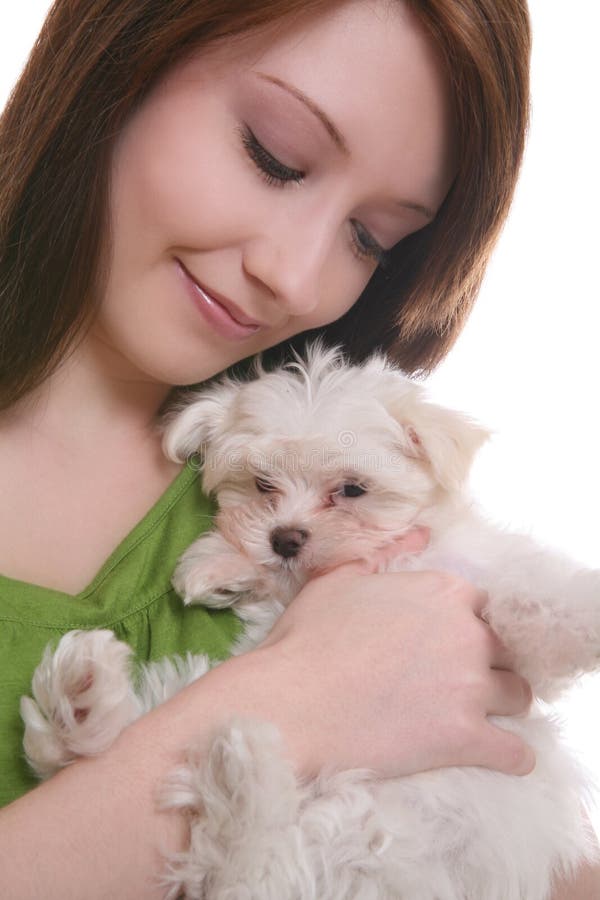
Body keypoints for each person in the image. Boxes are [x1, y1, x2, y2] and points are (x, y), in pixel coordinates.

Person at [0, 0, 596, 897]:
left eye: (371, 240)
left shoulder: (314, 478)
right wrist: (298, 701)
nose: (296, 276)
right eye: (274, 156)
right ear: (117, 52)